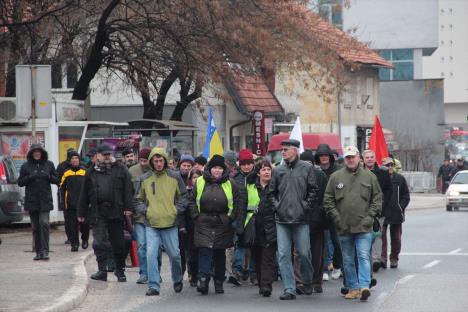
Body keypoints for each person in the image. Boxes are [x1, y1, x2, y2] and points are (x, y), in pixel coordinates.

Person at [324, 146, 382, 301]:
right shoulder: (336, 177)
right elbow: (328, 199)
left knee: (363, 255)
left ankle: (364, 286)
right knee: (348, 259)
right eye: (347, 157)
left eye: (353, 157)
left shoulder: (370, 177)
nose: (350, 160)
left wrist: (370, 217)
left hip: (364, 226)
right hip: (343, 227)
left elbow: (377, 199)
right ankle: (353, 288)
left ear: (358, 158)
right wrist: (337, 218)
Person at [267, 139, 319, 300]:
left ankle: (307, 281)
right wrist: (277, 206)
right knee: (283, 255)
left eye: (286, 149)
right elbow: (271, 192)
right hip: (281, 220)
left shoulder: (307, 168)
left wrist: (305, 206)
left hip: (301, 219)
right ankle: (289, 288)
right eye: (282, 149)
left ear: (295, 151)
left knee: (304, 253)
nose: (283, 152)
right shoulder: (278, 170)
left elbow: (314, 190)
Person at [189, 155, 244, 295]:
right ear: (210, 168)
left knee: (220, 253)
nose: (217, 171)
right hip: (204, 222)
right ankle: (203, 280)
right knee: (205, 252)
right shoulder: (200, 181)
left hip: (222, 223)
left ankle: (219, 281)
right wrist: (196, 216)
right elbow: (191, 201)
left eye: (220, 168)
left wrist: (230, 218)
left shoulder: (230, 183)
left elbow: (237, 203)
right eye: (215, 168)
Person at [135, 147, 187, 296]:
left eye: (161, 160)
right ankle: (154, 285)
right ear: (151, 162)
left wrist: (175, 210)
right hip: (151, 224)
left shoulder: (175, 177)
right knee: (151, 254)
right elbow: (137, 200)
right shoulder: (145, 178)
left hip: (170, 223)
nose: (158, 163)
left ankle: (177, 279)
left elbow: (184, 196)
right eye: (155, 161)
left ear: (165, 161)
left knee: (175, 255)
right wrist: (147, 211)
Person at [78, 144, 133, 283]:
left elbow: (128, 190)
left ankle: (119, 270)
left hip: (116, 210)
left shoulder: (121, 169)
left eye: (109, 154)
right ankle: (102, 270)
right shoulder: (91, 171)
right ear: (98, 155)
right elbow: (84, 193)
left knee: (119, 243)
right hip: (98, 211)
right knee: (99, 242)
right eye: (104, 154)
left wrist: (128, 208)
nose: (107, 157)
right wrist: (81, 211)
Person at [18, 144, 59, 260]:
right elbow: (20, 182)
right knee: (36, 227)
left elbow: (57, 180)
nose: (37, 153)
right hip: (32, 201)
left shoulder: (49, 164)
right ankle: (39, 251)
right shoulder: (26, 166)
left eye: (39, 152)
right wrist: (30, 177)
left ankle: (45, 251)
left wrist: (49, 176)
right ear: (31, 153)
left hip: (45, 200)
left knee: (44, 223)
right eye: (34, 152)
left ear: (42, 153)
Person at [298, 150, 328, 294]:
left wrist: (319, 212)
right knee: (302, 253)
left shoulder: (320, 175)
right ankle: (304, 281)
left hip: (317, 221)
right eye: (304, 163)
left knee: (317, 254)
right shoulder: (297, 175)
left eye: (309, 163)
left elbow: (326, 197)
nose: (307, 166)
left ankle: (317, 281)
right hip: (299, 219)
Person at [314, 144, 343, 281]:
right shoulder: (315, 170)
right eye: (321, 155)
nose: (323, 158)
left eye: (326, 155)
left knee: (337, 241)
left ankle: (337, 265)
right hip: (320, 212)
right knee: (322, 242)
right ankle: (324, 269)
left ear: (330, 156)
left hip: (335, 212)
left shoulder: (338, 170)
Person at [250, 160, 276, 297]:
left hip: (270, 226)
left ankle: (266, 285)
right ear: (258, 172)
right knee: (257, 256)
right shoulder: (251, 187)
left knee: (268, 257)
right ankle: (261, 282)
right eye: (264, 169)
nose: (266, 172)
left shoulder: (275, 187)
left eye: (268, 169)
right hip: (254, 228)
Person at [363, 149, 392, 272]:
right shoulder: (358, 172)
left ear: (375, 158)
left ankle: (375, 260)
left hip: (379, 211)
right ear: (363, 159)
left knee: (377, 235)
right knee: (363, 235)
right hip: (362, 211)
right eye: (367, 157)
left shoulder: (383, 173)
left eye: (371, 157)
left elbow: (388, 191)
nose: (369, 159)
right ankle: (365, 258)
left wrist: (382, 207)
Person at [231, 149, 257, 286]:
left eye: (249, 164)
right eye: (244, 164)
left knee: (253, 245)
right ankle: (237, 271)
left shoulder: (257, 178)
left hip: (254, 216)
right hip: (239, 217)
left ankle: (253, 272)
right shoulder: (235, 180)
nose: (247, 166)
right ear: (239, 165)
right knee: (239, 244)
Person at [381, 157, 410, 269]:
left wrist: (400, 207)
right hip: (383, 212)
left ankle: (394, 258)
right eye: (387, 165)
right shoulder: (380, 178)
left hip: (396, 213)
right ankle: (382, 259)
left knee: (396, 238)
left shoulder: (400, 179)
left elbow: (406, 196)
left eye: (391, 165)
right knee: (381, 235)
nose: (389, 167)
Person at [128, 147, 152, 284]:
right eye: (141, 160)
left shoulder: (157, 170)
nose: (143, 163)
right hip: (139, 216)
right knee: (142, 245)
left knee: (154, 247)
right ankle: (143, 273)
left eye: (146, 160)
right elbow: (129, 192)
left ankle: (155, 272)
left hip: (155, 216)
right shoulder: (132, 171)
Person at [59, 151, 89, 252]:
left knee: (84, 224)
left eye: (76, 158)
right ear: (70, 161)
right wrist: (62, 202)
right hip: (70, 203)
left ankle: (85, 239)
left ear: (79, 160)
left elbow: (90, 187)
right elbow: (62, 188)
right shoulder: (66, 173)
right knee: (72, 225)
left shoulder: (85, 171)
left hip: (83, 204)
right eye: (72, 158)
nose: (74, 160)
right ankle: (74, 243)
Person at [186, 168, 203, 287]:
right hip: (190, 226)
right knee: (192, 252)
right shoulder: (186, 192)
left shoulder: (205, 190)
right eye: (193, 177)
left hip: (203, 225)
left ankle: (201, 274)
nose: (196, 179)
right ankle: (192, 274)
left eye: (198, 176)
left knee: (201, 251)